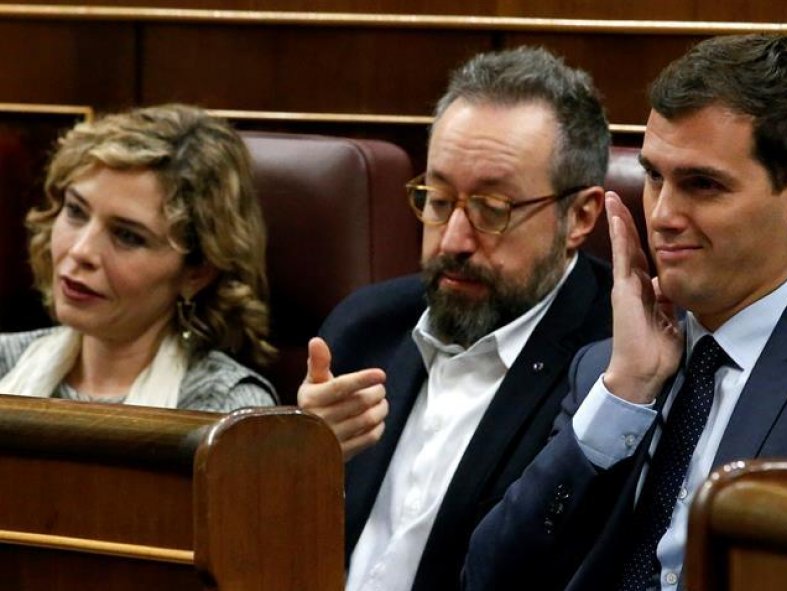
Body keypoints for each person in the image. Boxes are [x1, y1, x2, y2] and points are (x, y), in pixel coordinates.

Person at [465, 34, 787, 591]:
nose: (663, 214)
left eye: (702, 185)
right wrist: (625, 392)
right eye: (654, 177)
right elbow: (489, 578)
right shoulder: (607, 369)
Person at [297, 47, 612, 591]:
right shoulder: (363, 328)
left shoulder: (614, 370)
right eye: (439, 199)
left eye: (492, 210)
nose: (453, 240)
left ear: (580, 216)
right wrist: (293, 458)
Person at [0, 104, 277, 412]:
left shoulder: (227, 409)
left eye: (127, 236)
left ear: (197, 271)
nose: (81, 251)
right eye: (76, 212)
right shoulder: (4, 363)